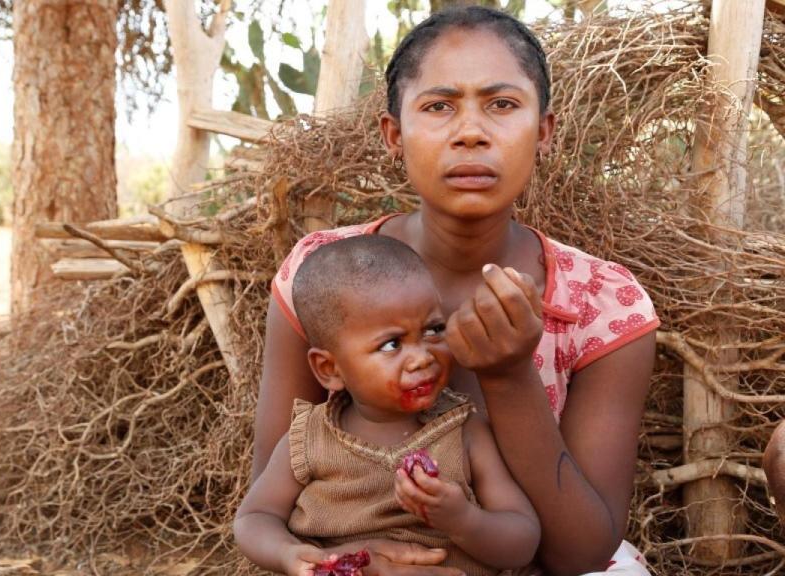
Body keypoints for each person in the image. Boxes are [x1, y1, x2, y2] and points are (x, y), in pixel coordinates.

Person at [254, 6, 659, 575]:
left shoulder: (602, 306)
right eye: (439, 106)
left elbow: (582, 553)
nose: (471, 132)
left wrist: (509, 375)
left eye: (502, 104)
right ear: (394, 135)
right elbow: (271, 501)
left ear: (543, 131)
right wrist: (354, 563)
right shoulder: (322, 276)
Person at [235, 235, 540, 576]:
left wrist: (463, 520)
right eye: (391, 344)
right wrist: (290, 554)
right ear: (330, 369)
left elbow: (523, 539)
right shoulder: (308, 440)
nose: (422, 358)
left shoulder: (464, 430)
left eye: (433, 329)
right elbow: (254, 518)